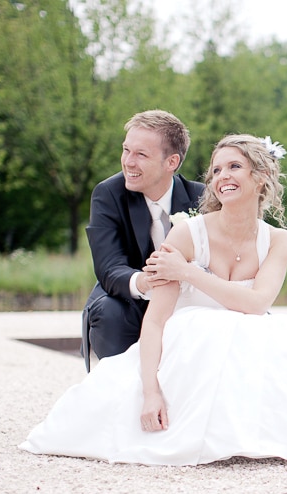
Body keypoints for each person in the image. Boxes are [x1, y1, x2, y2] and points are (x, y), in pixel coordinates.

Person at [20, 134, 287, 466]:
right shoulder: (187, 232)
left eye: (234, 167)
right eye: (216, 170)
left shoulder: (279, 240)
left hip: (245, 344)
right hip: (189, 347)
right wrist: (151, 392)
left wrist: (188, 273)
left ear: (260, 178)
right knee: (208, 333)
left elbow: (258, 304)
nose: (221, 176)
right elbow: (155, 321)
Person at [81, 110, 205, 371]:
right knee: (109, 312)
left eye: (141, 154)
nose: (128, 162)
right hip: (130, 299)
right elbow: (109, 267)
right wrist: (147, 281)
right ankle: (120, 389)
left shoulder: (202, 198)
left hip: (188, 299)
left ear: (171, 162)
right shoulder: (108, 194)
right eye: (126, 150)